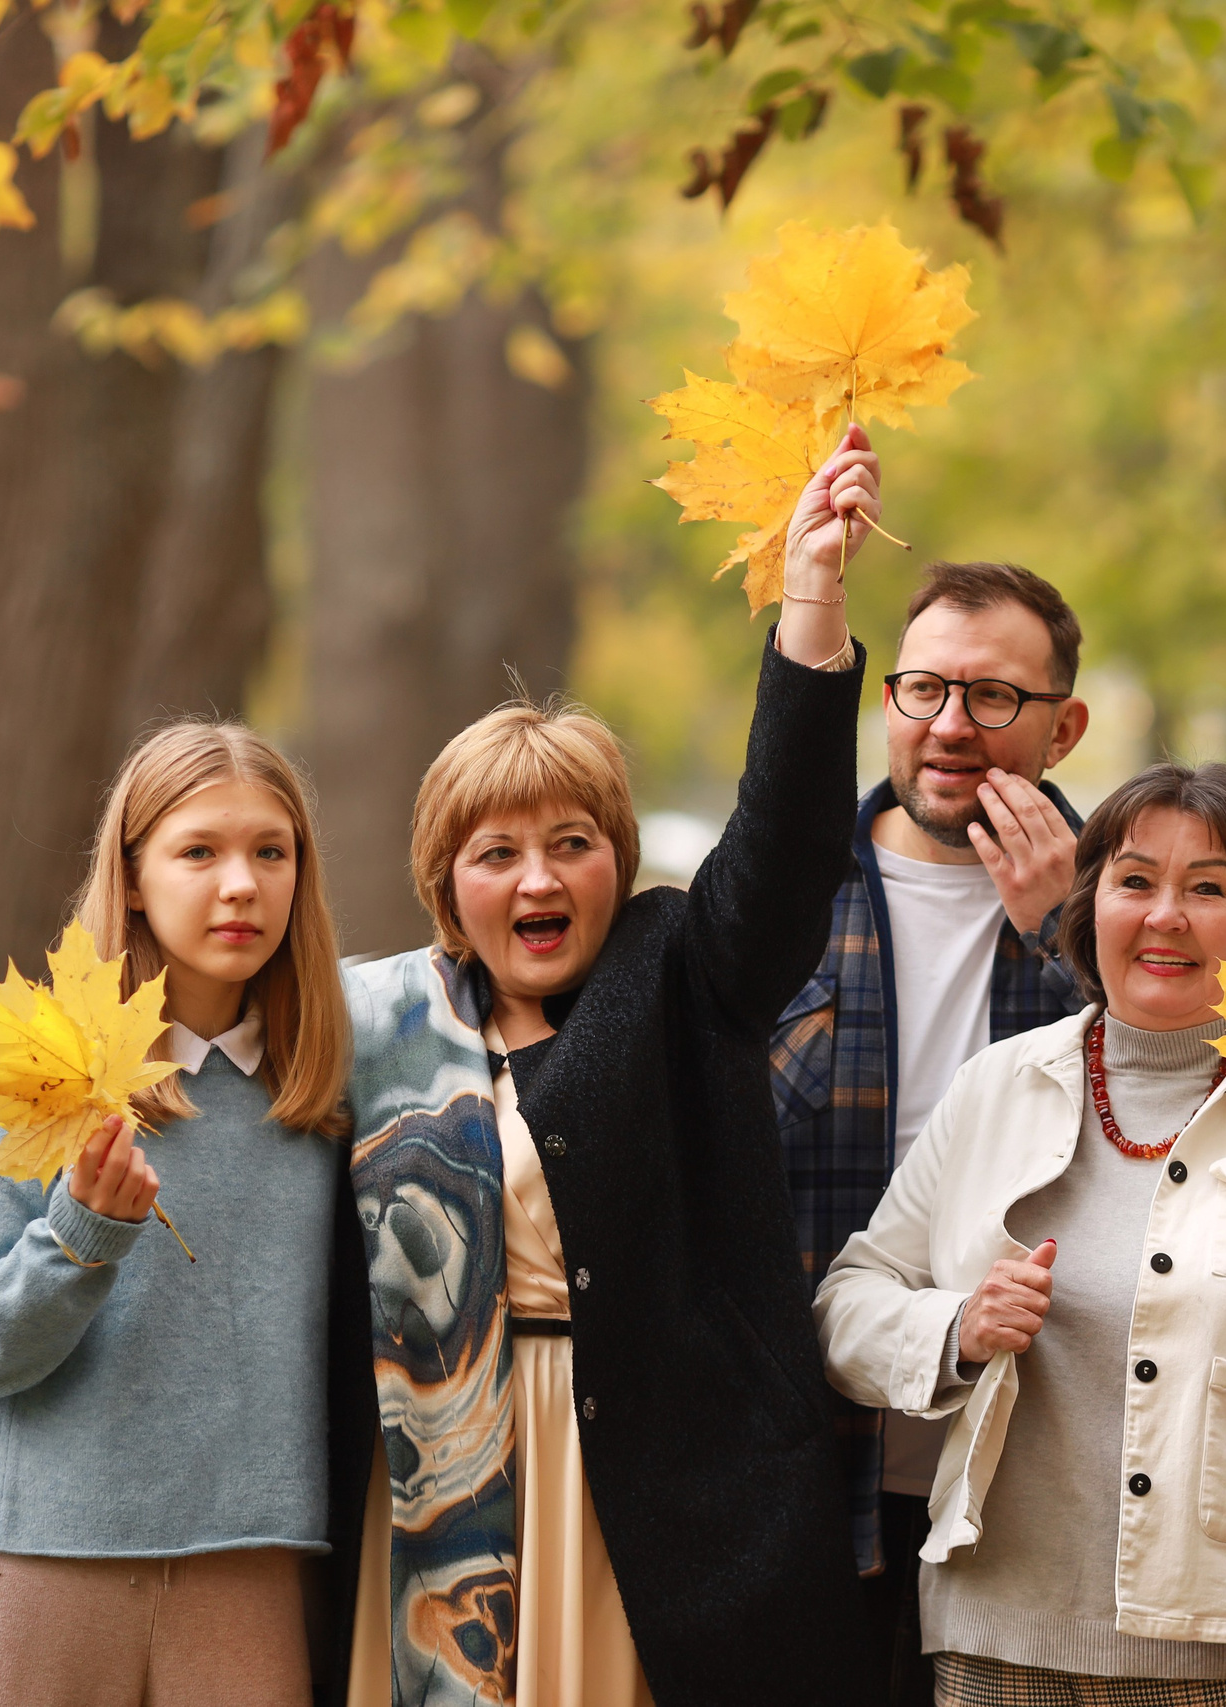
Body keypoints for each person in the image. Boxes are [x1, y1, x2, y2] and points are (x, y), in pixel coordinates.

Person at [329, 431, 884, 1707]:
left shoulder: (680, 970)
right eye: (496, 852)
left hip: (652, 1491)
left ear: (617, 858)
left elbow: (788, 848)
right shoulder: (378, 1022)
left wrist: (812, 600)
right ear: (442, 884)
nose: (536, 878)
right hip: (431, 1488)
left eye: (570, 843)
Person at [817, 761, 1226, 1707]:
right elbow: (848, 1301)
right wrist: (956, 1326)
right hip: (1002, 1643)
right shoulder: (998, 1086)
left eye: (1208, 887)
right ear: (1090, 906)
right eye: (1134, 880)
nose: (1166, 915)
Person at [0, 722, 353, 1707]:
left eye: (270, 852)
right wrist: (80, 1237)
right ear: (130, 877)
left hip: (253, 1580)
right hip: (39, 1563)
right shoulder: (48, 1076)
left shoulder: (332, 1093)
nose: (240, 883)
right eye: (198, 851)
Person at [770, 559, 1091, 1703]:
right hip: (809, 1473)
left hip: (1039, 1483)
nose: (952, 727)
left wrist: (1063, 933)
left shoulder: (1136, 918)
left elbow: (1167, 1126)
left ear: (1065, 729)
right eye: (922, 691)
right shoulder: (782, 902)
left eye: (994, 698)